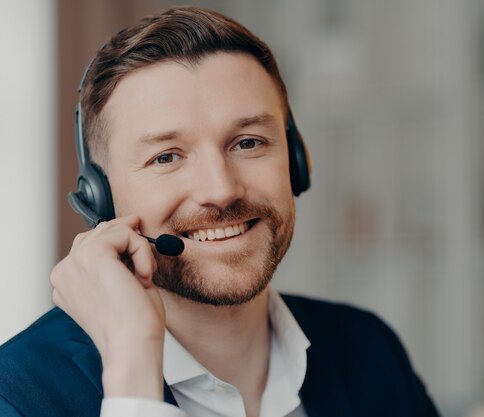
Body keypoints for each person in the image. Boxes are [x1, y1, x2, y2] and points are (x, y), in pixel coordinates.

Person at [0, 7, 440, 417]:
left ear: (297, 161)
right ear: (99, 197)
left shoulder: (368, 349)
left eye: (248, 142)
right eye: (167, 157)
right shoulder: (18, 393)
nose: (221, 190)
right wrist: (133, 373)